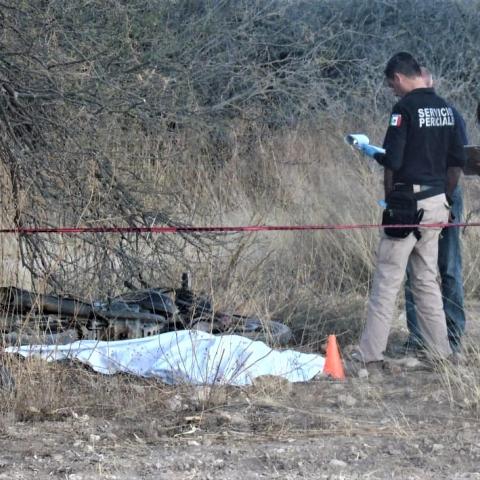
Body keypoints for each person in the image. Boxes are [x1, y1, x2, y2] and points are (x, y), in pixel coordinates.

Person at [355, 52, 466, 363]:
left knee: (387, 281)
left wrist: (373, 154)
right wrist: (444, 198)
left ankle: (368, 355)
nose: (394, 91)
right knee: (427, 280)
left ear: (399, 78)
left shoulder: (403, 108)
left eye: (392, 85)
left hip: (406, 205)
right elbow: (457, 160)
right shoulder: (447, 109)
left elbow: (394, 160)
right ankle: (442, 353)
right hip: (437, 203)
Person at [404, 67, 467, 354]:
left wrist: (448, 200)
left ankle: (451, 336)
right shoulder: (417, 111)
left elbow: (457, 162)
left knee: (446, 267)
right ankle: (421, 338)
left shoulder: (448, 114)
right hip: (425, 195)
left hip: (439, 195)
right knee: (420, 266)